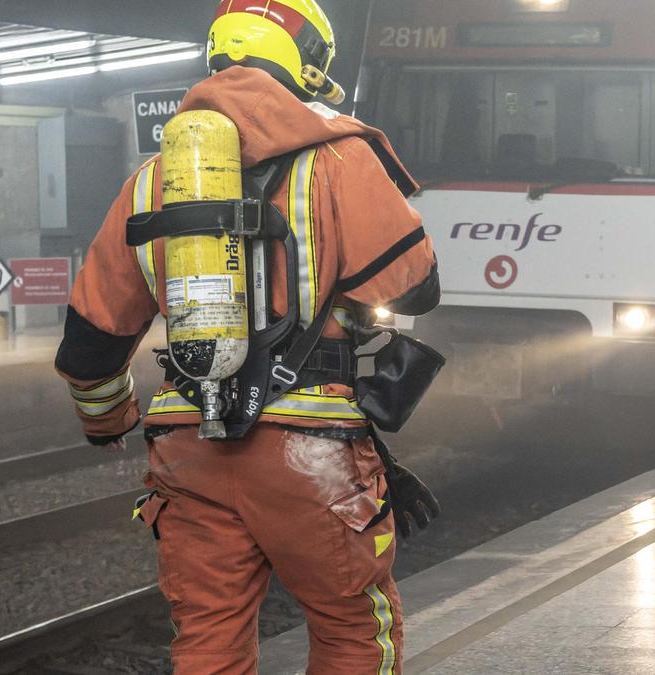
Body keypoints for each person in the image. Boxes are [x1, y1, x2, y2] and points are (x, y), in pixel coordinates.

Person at [54, 1, 440, 672]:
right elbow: (413, 288)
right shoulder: (339, 159)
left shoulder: (151, 185)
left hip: (189, 450)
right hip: (312, 452)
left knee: (208, 638)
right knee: (352, 628)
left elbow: (88, 343)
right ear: (307, 62)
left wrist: (108, 419)